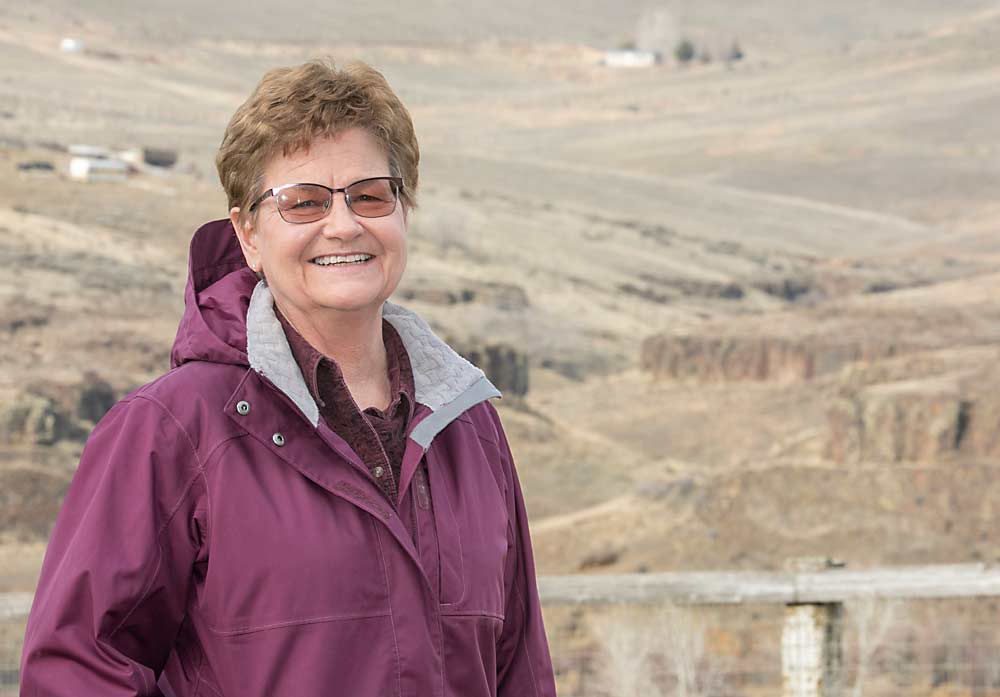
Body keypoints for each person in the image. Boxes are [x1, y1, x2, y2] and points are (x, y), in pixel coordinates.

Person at [20, 60, 557, 697]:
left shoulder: (470, 426)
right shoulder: (171, 431)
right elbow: (76, 673)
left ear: (402, 210)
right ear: (248, 233)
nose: (344, 224)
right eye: (303, 202)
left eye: (370, 195)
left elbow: (520, 669)